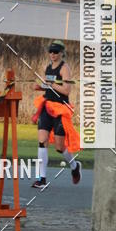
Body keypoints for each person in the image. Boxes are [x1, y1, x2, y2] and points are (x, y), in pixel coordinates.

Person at [31, 39, 81, 189]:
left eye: (56, 52)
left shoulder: (64, 68)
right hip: (47, 106)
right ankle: (42, 179)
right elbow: (49, 88)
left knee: (59, 147)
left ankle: (74, 165)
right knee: (42, 140)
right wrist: (40, 87)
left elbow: (66, 90)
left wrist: (51, 84)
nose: (52, 54)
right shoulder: (48, 67)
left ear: (61, 53)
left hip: (60, 109)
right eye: (51, 52)